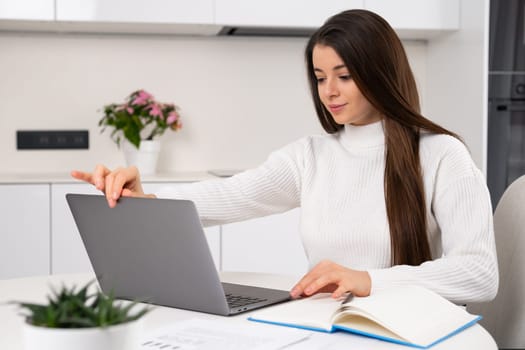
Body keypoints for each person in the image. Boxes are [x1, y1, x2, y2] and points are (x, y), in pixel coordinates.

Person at [72, 9, 498, 304]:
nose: (328, 91)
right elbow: (231, 195)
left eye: (344, 76)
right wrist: (147, 201)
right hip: (330, 326)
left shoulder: (443, 155)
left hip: (410, 331)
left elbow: (479, 274)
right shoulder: (310, 157)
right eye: (319, 77)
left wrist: (368, 280)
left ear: (381, 73)